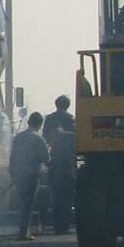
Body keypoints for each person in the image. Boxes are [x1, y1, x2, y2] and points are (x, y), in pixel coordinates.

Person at [9, 111, 49, 240]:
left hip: (18, 173)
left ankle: (23, 230)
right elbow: (45, 158)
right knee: (28, 203)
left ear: (28, 122)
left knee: (23, 202)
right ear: (40, 124)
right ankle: (23, 232)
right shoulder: (38, 139)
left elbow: (12, 156)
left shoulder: (18, 137)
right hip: (31, 174)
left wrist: (12, 172)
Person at [41, 94, 77, 235]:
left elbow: (45, 137)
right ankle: (64, 225)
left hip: (54, 160)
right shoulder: (70, 118)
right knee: (67, 195)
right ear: (67, 105)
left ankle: (57, 225)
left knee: (55, 194)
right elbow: (77, 136)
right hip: (68, 161)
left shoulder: (49, 119)